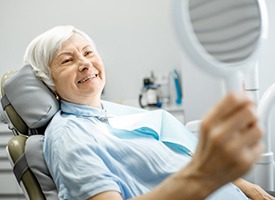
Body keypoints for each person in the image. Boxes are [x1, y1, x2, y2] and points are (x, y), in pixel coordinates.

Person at [23, 25, 274, 200]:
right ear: (49, 82)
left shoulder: (111, 113)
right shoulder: (69, 136)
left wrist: (246, 186)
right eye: (67, 60)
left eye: (88, 52)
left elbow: (181, 155)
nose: (85, 63)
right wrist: (204, 175)